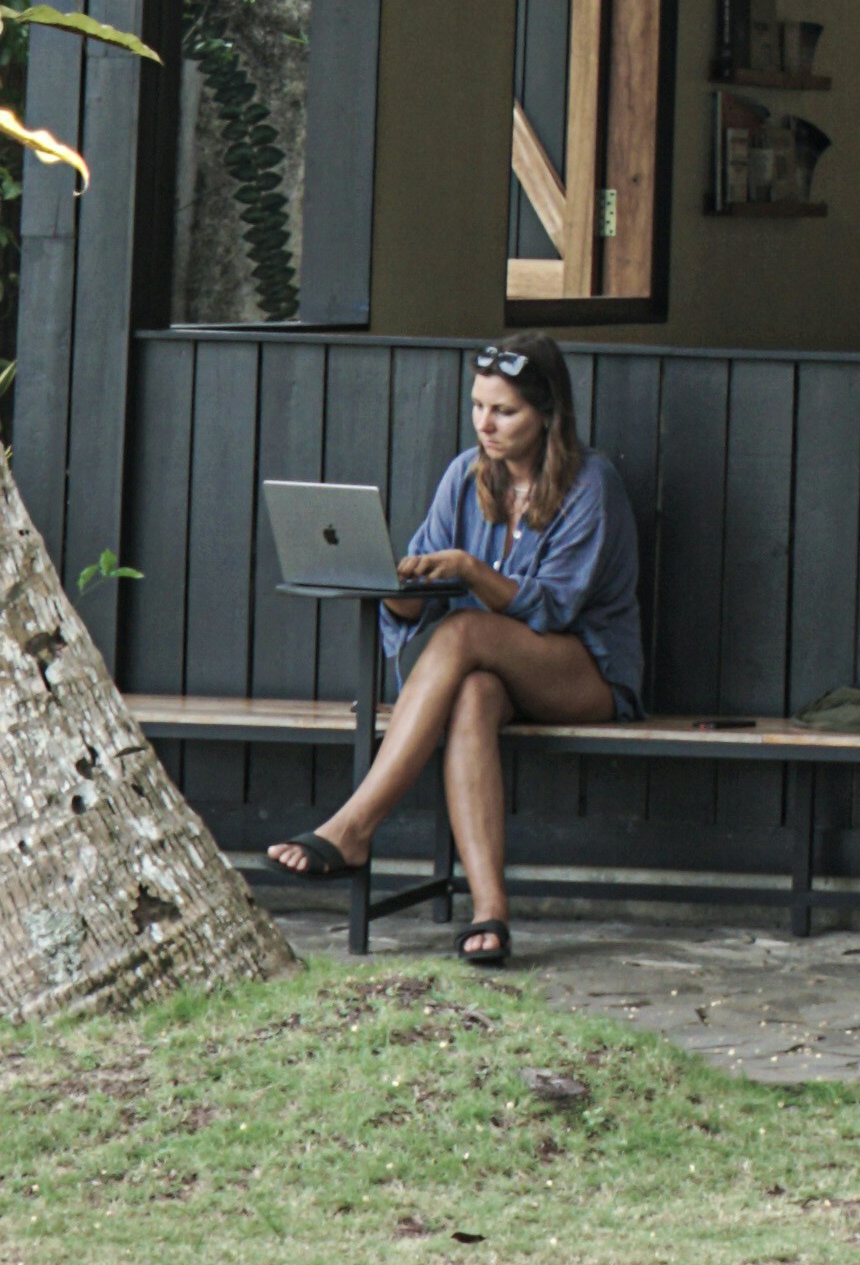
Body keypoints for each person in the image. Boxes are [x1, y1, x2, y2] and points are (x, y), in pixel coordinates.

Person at [263, 340, 641, 967]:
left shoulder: (590, 484)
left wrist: (466, 569)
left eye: (505, 411)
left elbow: (555, 608)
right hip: (492, 673)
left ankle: (355, 825)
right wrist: (394, 585)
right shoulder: (465, 474)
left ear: (547, 414)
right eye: (478, 407)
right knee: (472, 692)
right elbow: (419, 615)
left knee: (466, 632)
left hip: (584, 672)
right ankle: (490, 912)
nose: (485, 425)